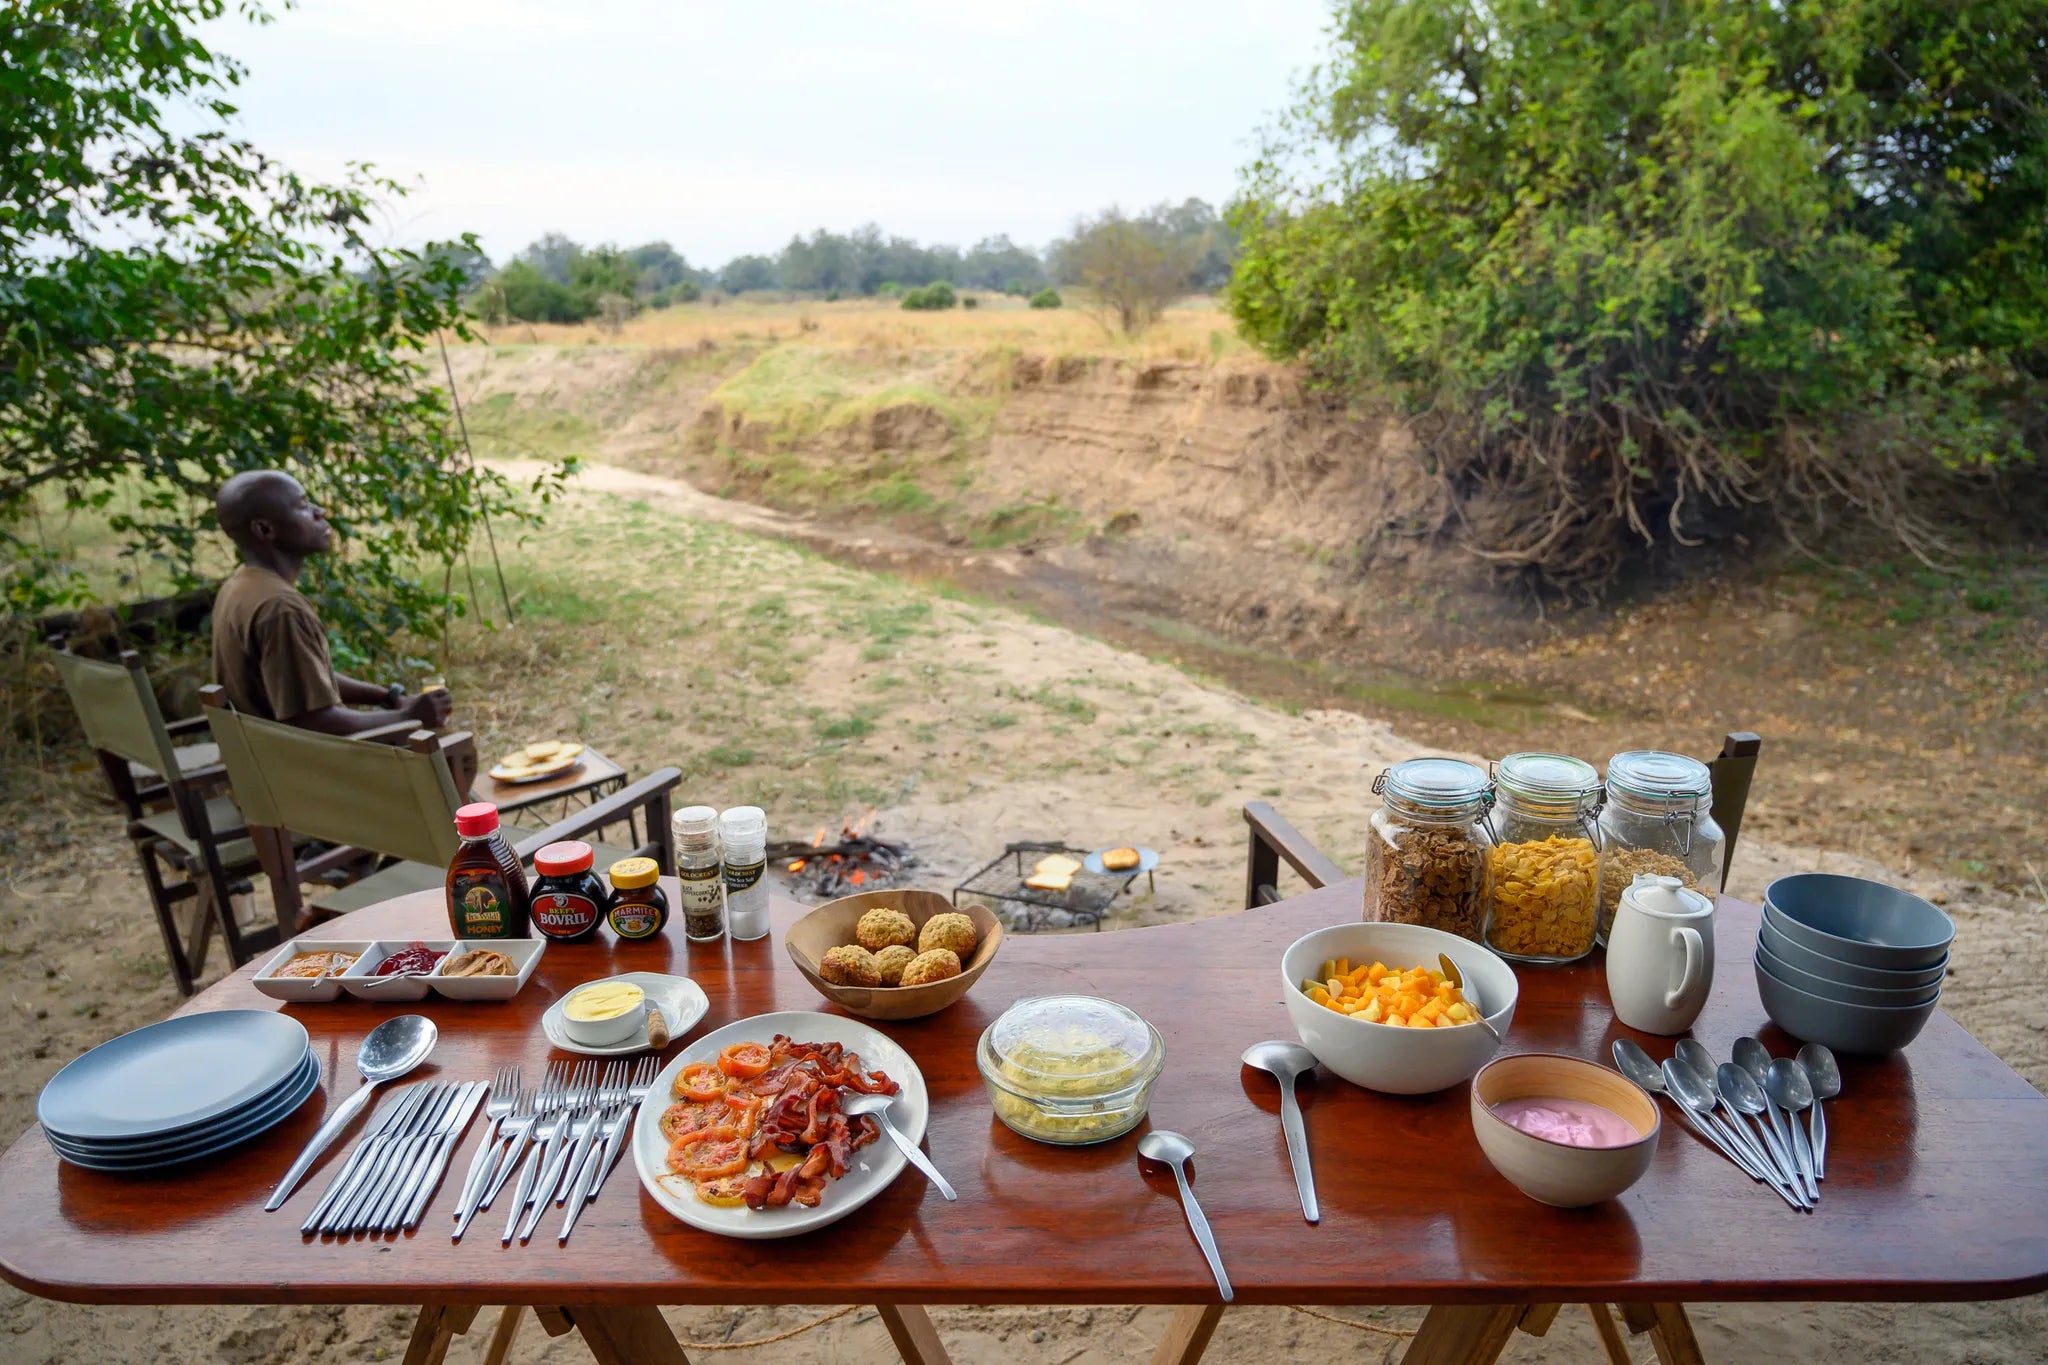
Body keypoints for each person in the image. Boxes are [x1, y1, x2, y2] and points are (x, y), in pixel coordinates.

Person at [210, 470, 453, 735]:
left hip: (265, 757)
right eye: (303, 506)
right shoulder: (281, 608)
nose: (320, 511)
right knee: (451, 750)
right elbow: (317, 722)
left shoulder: (241, 587)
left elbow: (302, 682)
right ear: (265, 529)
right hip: (300, 769)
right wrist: (409, 716)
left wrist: (388, 696)